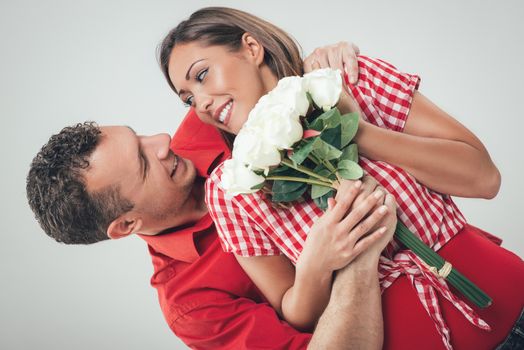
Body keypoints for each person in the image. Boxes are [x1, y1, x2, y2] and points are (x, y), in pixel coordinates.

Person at [162, 6, 524, 350]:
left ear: (252, 48)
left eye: (202, 74)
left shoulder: (348, 80)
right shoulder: (233, 188)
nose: (202, 103)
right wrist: (318, 262)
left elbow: (484, 178)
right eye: (188, 98)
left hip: (514, 304)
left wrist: (358, 131)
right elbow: (299, 317)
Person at [26, 42, 396, 348]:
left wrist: (324, 62)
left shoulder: (211, 121)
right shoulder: (193, 308)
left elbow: (291, 84)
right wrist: (350, 255)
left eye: (138, 136)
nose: (163, 142)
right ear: (127, 223)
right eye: (142, 161)